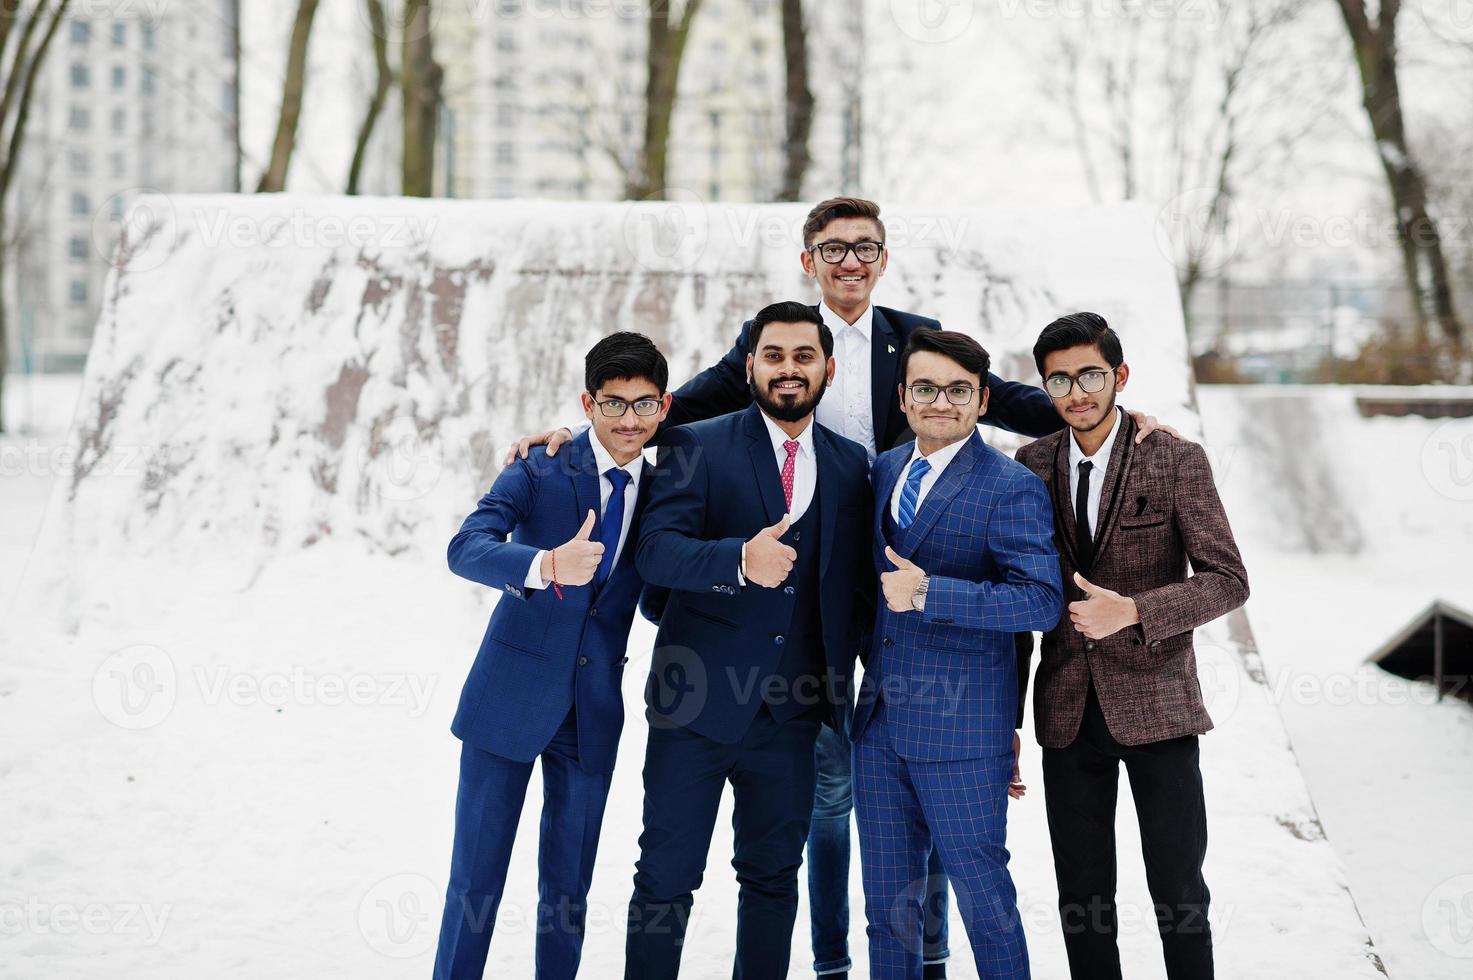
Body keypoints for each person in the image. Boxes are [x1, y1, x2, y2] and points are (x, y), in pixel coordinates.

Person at [504, 197, 1173, 980]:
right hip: (746, 657)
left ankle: (917, 953)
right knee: (750, 842)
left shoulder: (907, 366)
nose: (848, 262)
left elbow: (1000, 398)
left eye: (864, 248)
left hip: (861, 631)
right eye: (832, 248)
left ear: (882, 259)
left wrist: (1109, 418)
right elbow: (664, 418)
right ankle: (832, 958)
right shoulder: (735, 391)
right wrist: (585, 428)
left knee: (876, 839)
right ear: (806, 262)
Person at [624, 302, 873, 979]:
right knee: (665, 883)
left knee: (771, 881)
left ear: (826, 365)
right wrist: (737, 560)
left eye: (802, 355)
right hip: (693, 709)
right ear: (749, 365)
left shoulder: (853, 467)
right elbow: (654, 552)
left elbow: (851, 591)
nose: (788, 369)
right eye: (773, 355)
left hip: (792, 718)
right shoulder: (694, 444)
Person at [1014, 312, 1250, 980]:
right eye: (1058, 378)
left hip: (1159, 708)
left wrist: (1135, 611)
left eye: (1089, 373)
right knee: (1081, 899)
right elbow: (1018, 595)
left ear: (1118, 376)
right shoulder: (1028, 465)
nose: (1075, 390)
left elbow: (1227, 581)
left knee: (1178, 891)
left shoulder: (1174, 459)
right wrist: (1006, 717)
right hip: (1064, 715)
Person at [434, 332, 671, 979]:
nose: (628, 420)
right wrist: (543, 563)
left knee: (566, 896)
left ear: (664, 407)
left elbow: (651, 596)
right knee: (474, 885)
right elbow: (466, 546)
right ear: (587, 403)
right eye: (613, 404)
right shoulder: (539, 466)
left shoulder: (665, 490)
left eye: (643, 405)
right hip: (506, 703)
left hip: (592, 716)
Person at [853, 328, 1064, 980]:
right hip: (877, 724)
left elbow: (1038, 602)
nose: (939, 401)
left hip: (963, 729)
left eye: (956, 390)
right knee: (887, 908)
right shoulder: (884, 468)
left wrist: (928, 594)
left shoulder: (1010, 485)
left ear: (980, 399)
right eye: (924, 388)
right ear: (903, 396)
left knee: (983, 902)